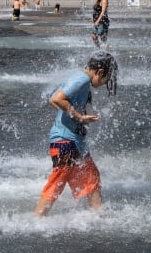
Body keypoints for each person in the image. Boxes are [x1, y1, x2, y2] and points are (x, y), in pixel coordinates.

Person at [34, 51, 119, 217]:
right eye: (105, 80)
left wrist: (75, 117)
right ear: (100, 72)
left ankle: (99, 217)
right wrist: (79, 116)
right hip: (64, 141)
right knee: (58, 180)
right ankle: (36, 220)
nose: (103, 84)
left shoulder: (80, 78)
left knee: (91, 176)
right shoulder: (82, 79)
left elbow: (55, 102)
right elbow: (57, 99)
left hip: (74, 140)